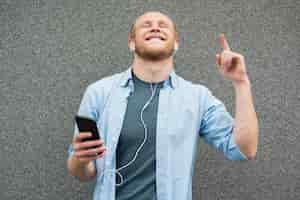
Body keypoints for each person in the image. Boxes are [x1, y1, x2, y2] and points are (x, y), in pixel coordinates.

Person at [67, 11, 258, 200]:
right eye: (146, 25)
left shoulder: (198, 97)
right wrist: (80, 159)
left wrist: (241, 82)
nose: (155, 27)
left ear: (176, 43)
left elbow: (243, 149)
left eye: (163, 25)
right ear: (131, 43)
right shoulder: (98, 93)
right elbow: (82, 173)